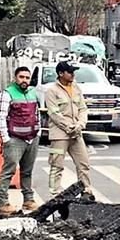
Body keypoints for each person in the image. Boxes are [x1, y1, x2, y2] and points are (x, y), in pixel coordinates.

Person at [0, 66, 41, 216]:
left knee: (27, 172)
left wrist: (38, 132)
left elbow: (37, 113)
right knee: (8, 171)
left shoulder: (33, 93)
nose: (24, 80)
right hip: (14, 139)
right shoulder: (7, 93)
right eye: (21, 77)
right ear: (16, 78)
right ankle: (3, 202)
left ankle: (28, 199)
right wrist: (6, 139)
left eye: (27, 78)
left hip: (32, 139)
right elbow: (1, 118)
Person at [46, 60, 92, 195]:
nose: (73, 74)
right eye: (70, 72)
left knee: (83, 164)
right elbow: (54, 113)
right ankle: (54, 195)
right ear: (61, 73)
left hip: (76, 133)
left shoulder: (76, 88)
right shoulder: (52, 91)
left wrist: (80, 124)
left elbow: (83, 108)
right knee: (56, 166)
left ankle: (86, 192)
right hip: (59, 135)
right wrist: (68, 126)